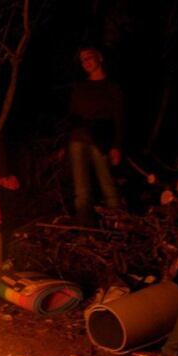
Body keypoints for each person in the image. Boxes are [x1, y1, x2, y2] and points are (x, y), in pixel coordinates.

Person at [67, 46, 124, 225]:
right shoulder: (80, 88)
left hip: (101, 139)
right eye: (83, 60)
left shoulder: (112, 87)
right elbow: (72, 115)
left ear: (99, 58)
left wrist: (117, 145)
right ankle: (86, 229)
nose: (86, 62)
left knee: (108, 185)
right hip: (77, 139)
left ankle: (118, 225)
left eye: (89, 57)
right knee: (81, 190)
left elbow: (120, 118)